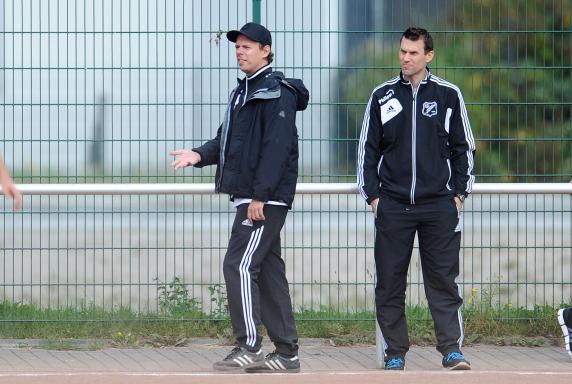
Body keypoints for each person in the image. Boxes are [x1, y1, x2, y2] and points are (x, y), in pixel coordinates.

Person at [170, 22, 308, 373]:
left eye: (248, 46)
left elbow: (276, 150)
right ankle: (287, 352)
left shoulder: (277, 92)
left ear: (267, 50)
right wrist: (198, 155)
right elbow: (227, 142)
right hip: (250, 196)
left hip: (264, 199)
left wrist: (260, 197)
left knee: (240, 264)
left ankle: (249, 346)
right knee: (267, 271)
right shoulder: (241, 93)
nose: (240, 51)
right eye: (237, 46)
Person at [357, 27, 476, 371]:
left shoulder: (448, 95)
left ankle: (451, 350)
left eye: (413, 52)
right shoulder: (382, 96)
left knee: (442, 281)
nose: (406, 58)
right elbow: (367, 148)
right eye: (402, 52)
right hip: (392, 206)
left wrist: (458, 194)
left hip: (439, 205)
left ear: (429, 56)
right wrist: (374, 198)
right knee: (390, 282)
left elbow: (463, 147)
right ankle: (395, 352)